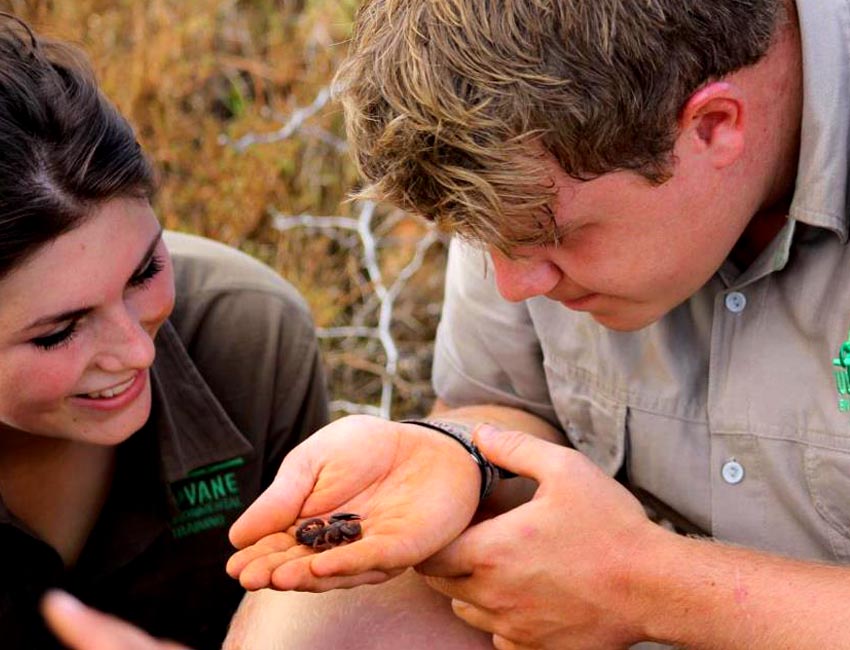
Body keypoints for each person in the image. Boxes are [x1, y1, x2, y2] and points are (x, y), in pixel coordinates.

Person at [224, 0, 850, 648]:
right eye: (482, 237)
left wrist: (648, 585)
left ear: (714, 127)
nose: (513, 284)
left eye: (552, 236)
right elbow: (506, 401)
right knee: (325, 623)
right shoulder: (531, 155)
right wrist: (459, 456)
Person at [0, 14, 329, 650]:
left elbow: (324, 610)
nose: (139, 350)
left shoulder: (250, 337)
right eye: (58, 333)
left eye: (144, 270)